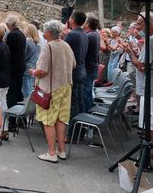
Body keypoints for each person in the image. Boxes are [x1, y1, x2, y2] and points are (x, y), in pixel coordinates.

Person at [124, 12, 153, 167]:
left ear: (149, 24)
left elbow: (143, 67)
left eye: (139, 23)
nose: (137, 27)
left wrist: (131, 55)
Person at [28, 20, 75, 163]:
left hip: (51, 88)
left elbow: (42, 71)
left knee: (48, 120)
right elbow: (73, 64)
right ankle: (61, 150)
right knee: (61, 119)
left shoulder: (49, 47)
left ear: (48, 32)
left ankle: (51, 152)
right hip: (66, 86)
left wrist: (33, 72)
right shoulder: (66, 45)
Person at [65, 11, 88, 141]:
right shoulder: (83, 34)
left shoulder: (72, 35)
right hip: (81, 70)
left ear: (72, 20)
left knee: (73, 103)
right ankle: (80, 130)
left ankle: (72, 134)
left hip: (73, 72)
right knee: (80, 102)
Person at [4, 15, 26, 132]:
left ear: (10, 25)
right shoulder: (22, 34)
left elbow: (8, 52)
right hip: (20, 66)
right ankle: (22, 120)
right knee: (18, 93)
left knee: (11, 95)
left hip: (13, 68)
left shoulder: (11, 35)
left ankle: (12, 123)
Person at [82, 16, 100, 111]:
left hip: (88, 69)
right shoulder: (95, 34)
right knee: (88, 92)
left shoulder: (89, 36)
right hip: (92, 68)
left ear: (88, 24)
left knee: (86, 93)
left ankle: (87, 114)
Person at [21, 22, 41, 98]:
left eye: (25, 30)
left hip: (26, 68)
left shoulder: (27, 42)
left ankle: (26, 108)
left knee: (25, 92)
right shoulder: (37, 44)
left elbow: (23, 56)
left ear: (28, 31)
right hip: (33, 68)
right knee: (30, 89)